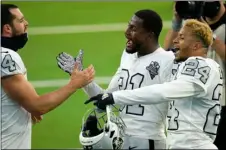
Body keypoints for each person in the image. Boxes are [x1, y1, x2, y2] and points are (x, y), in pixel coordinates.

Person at [85, 19, 223, 149]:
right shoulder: (183, 66)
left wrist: (116, 97)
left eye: (181, 37)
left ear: (196, 45)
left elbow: (165, 92)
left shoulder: (201, 64)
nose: (175, 40)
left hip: (194, 145)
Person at [57, 9, 175, 149]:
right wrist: (82, 79)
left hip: (149, 140)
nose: (126, 32)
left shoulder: (168, 60)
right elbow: (107, 98)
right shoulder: (128, 56)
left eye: (133, 29)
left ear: (149, 35)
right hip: (122, 139)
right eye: (128, 26)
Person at [1, 4, 94, 149]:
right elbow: (38, 106)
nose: (26, 23)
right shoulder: (6, 58)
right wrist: (74, 84)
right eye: (20, 20)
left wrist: (25, 108)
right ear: (7, 28)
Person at [164, 1, 226, 149]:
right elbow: (167, 51)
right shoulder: (191, 22)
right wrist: (177, 23)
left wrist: (206, 33)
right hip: (194, 97)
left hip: (221, 99)